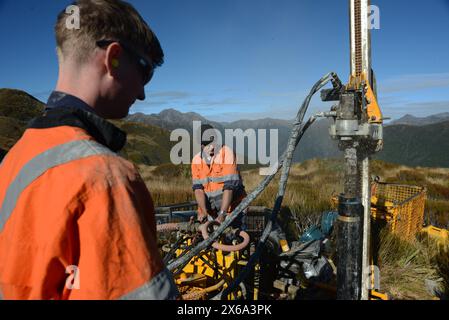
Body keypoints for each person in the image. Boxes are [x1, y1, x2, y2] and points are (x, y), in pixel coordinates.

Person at [0, 0, 178, 300]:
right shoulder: (106, 178)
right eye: (145, 72)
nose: (143, 93)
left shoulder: (14, 159)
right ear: (115, 58)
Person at [191, 124, 247, 228]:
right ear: (201, 145)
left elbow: (229, 187)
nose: (211, 147)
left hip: (234, 210)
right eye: (207, 144)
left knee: (234, 240)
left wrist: (222, 215)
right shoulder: (196, 160)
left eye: (213, 143)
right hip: (211, 212)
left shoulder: (226, 153)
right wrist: (204, 212)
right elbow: (198, 190)